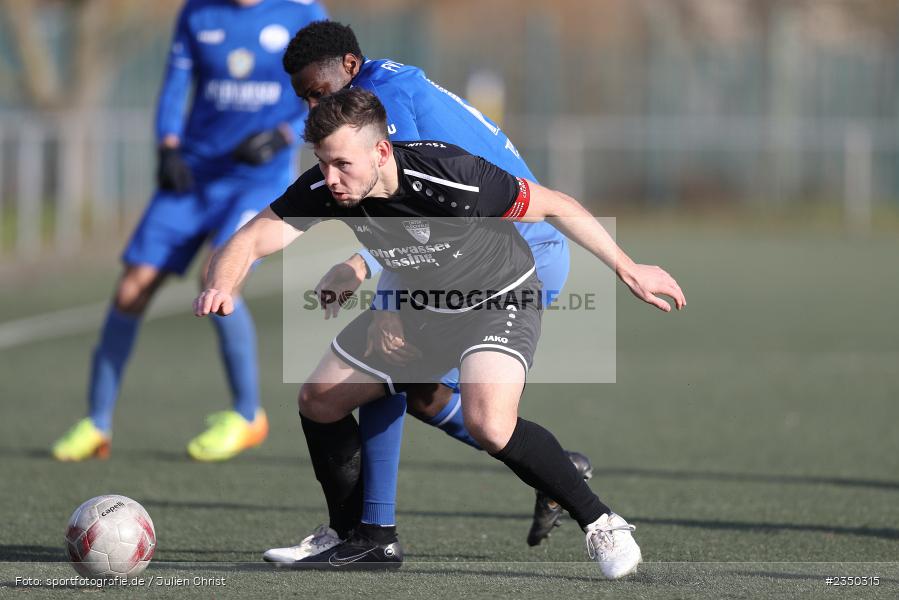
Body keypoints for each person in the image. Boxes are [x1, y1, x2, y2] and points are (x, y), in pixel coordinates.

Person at [194, 88, 686, 577]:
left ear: (381, 151)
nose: (331, 178)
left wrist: (629, 268)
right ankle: (358, 540)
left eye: (342, 164)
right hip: (422, 305)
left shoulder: (452, 175)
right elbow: (251, 237)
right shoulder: (326, 186)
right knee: (319, 400)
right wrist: (222, 284)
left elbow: (557, 205)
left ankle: (602, 522)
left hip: (498, 298)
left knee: (489, 423)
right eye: (322, 163)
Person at [262, 20, 589, 558]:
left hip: (512, 253)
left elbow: (414, 211)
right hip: (480, 251)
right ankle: (555, 471)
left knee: (386, 364)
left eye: (318, 92)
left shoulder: (383, 99)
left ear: (349, 67)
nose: (313, 107)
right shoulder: (383, 85)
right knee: (416, 389)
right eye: (305, 99)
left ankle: (374, 537)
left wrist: (370, 277)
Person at [51, 0, 328, 462]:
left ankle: (247, 415)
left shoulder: (302, 12)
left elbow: (330, 93)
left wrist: (284, 135)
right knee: (131, 289)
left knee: (217, 276)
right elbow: (175, 84)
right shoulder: (197, 12)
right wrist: (167, 147)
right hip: (194, 174)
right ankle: (96, 423)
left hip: (257, 180)